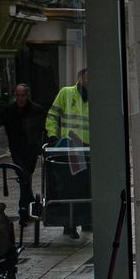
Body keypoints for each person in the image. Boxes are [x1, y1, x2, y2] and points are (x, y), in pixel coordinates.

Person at [45, 69, 91, 238]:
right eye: (86, 77)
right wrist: (51, 134)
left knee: (87, 187)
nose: (88, 81)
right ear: (79, 78)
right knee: (72, 187)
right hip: (71, 147)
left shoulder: (98, 96)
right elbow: (52, 115)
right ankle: (69, 224)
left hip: (90, 149)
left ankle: (86, 220)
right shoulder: (66, 93)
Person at [0, 83, 47, 220]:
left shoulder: (37, 110)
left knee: (26, 176)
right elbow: (6, 126)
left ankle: (27, 206)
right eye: (18, 95)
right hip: (16, 148)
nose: (20, 98)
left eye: (23, 95)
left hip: (31, 148)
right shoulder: (9, 110)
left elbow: (42, 129)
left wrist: (40, 145)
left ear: (27, 95)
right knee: (23, 175)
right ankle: (24, 207)